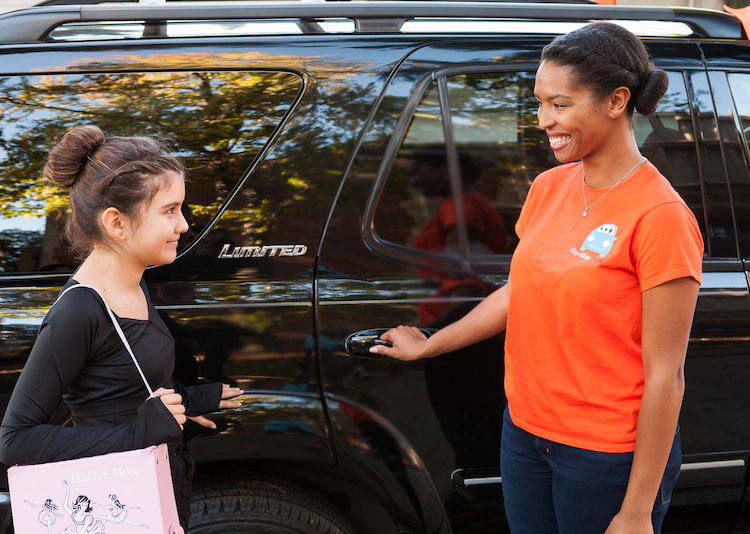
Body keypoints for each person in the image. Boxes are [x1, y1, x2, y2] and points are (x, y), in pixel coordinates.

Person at [368, 22, 703, 534]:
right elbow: (522, 291)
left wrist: (635, 512)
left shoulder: (660, 216)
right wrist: (431, 345)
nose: (544, 120)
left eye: (560, 105)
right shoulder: (549, 186)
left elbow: (666, 375)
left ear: (616, 101)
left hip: (604, 454)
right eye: (539, 102)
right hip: (524, 431)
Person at [0, 125, 244, 530]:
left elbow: (127, 382)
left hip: (158, 485)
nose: (183, 225)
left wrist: (193, 399)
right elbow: (15, 439)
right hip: (114, 499)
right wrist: (138, 432)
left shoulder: (135, 282)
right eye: (169, 211)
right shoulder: (78, 312)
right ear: (117, 223)